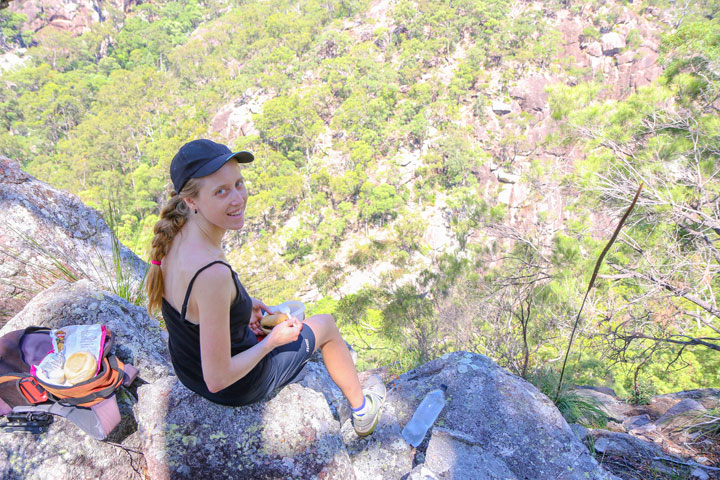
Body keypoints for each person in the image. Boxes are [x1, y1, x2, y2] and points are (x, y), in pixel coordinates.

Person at [145, 139, 385, 436]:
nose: (238, 198)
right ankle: (363, 412)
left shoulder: (175, 235)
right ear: (192, 200)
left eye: (238, 184)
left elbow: (197, 307)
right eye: (221, 191)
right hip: (235, 387)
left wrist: (240, 307)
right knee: (326, 326)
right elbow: (218, 379)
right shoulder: (212, 273)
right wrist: (270, 342)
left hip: (187, 372)